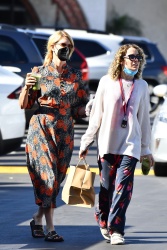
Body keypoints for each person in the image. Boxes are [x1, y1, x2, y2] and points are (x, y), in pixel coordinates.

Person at [79, 44, 154, 245]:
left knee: (124, 189)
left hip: (131, 144)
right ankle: (103, 219)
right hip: (107, 144)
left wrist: (146, 149)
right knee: (106, 189)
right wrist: (86, 141)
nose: (135, 60)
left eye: (138, 57)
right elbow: (96, 116)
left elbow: (144, 119)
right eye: (131, 56)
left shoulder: (142, 86)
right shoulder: (106, 82)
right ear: (121, 59)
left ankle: (116, 230)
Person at [19, 30, 88, 242]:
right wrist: (28, 87)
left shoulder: (75, 76)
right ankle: (50, 228)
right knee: (47, 177)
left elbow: (80, 108)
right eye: (61, 45)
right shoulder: (39, 73)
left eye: (68, 45)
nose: (64, 48)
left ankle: (37, 218)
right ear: (52, 47)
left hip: (65, 130)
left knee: (57, 179)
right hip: (42, 128)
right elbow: (26, 104)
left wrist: (95, 111)